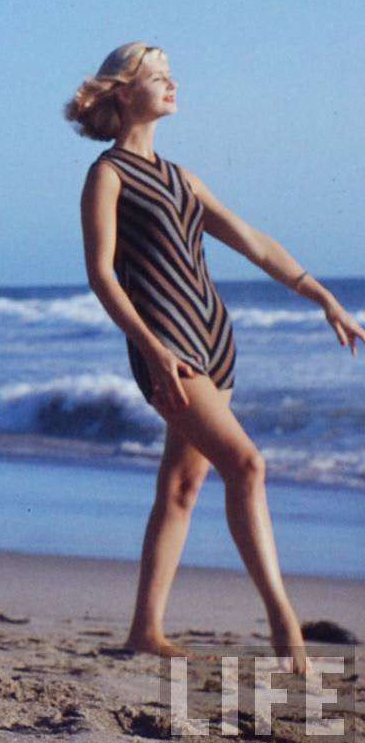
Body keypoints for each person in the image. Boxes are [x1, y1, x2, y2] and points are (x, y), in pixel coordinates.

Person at [67, 42, 361, 669]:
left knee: (182, 485)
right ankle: (284, 619)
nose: (174, 85)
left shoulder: (182, 177)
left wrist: (323, 297)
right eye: (159, 77)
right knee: (247, 465)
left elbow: (253, 243)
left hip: (216, 343)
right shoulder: (108, 175)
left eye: (173, 75)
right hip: (169, 349)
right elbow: (101, 275)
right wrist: (150, 348)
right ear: (123, 92)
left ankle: (145, 630)